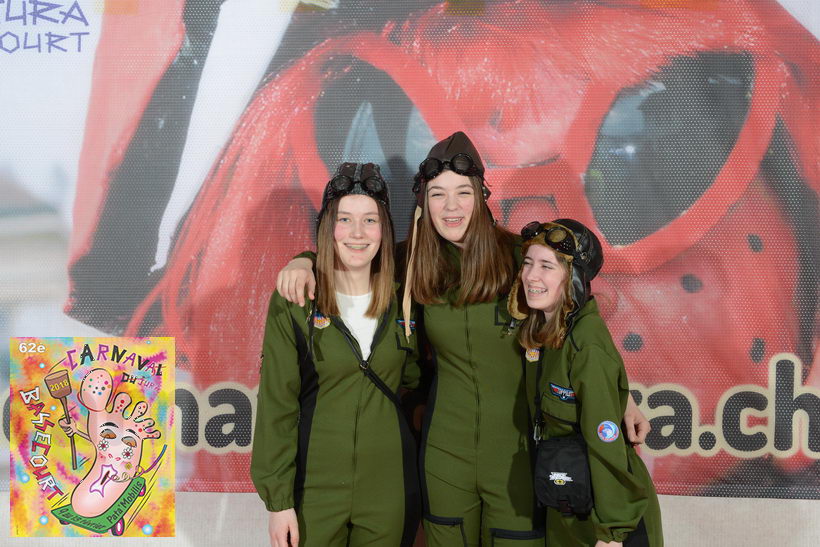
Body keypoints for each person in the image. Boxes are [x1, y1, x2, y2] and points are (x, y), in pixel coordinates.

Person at [277, 133, 649, 546]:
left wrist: (621, 396)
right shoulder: (410, 261)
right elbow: (354, 252)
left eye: (462, 193)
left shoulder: (521, 258)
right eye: (438, 194)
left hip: (516, 460)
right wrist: (305, 261)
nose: (451, 207)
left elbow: (578, 318)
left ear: (481, 195)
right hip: (445, 459)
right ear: (424, 202)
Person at [251, 162, 420, 547]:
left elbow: (415, 380)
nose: (358, 233)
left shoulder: (406, 300)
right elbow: (277, 406)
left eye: (370, 220)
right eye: (345, 219)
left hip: (389, 489)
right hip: (315, 491)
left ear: (384, 230)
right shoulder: (295, 301)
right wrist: (279, 503)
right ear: (328, 228)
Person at [508, 219, 663, 546]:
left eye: (547, 266)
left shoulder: (586, 345)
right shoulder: (546, 333)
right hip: (567, 501)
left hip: (604, 517)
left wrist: (613, 531)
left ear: (573, 277)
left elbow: (606, 445)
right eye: (528, 263)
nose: (531, 276)